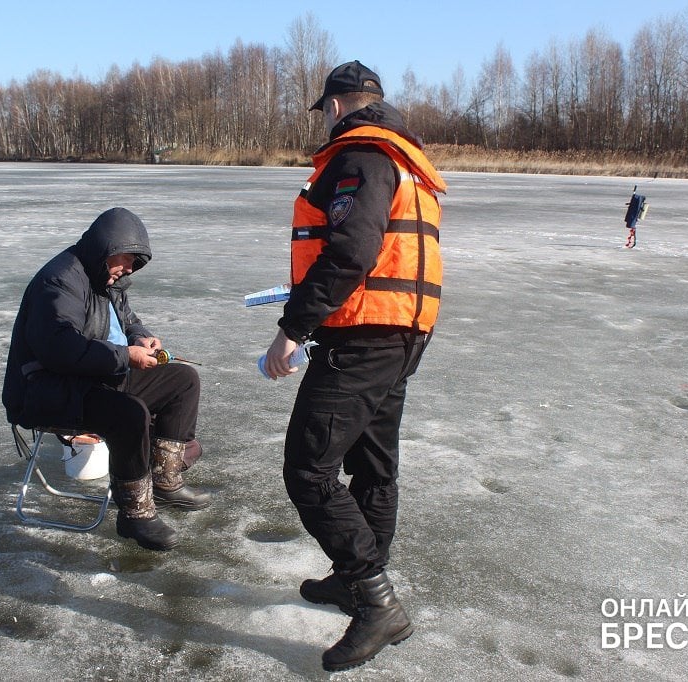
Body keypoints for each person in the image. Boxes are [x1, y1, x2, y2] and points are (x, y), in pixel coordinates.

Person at [262, 60, 447, 672]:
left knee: (308, 468)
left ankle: (375, 602)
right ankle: (356, 583)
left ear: (337, 106)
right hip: (401, 331)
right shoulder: (403, 158)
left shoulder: (359, 157)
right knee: (372, 463)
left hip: (364, 335)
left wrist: (292, 329)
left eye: (325, 111)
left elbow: (351, 249)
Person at [2, 207, 210, 552]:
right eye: (128, 260)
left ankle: (164, 481)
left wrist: (141, 337)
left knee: (182, 380)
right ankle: (134, 514)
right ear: (108, 247)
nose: (129, 269)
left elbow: (128, 320)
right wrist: (124, 356)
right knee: (128, 414)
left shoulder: (106, 278)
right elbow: (59, 348)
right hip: (47, 389)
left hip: (96, 375)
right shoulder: (60, 280)